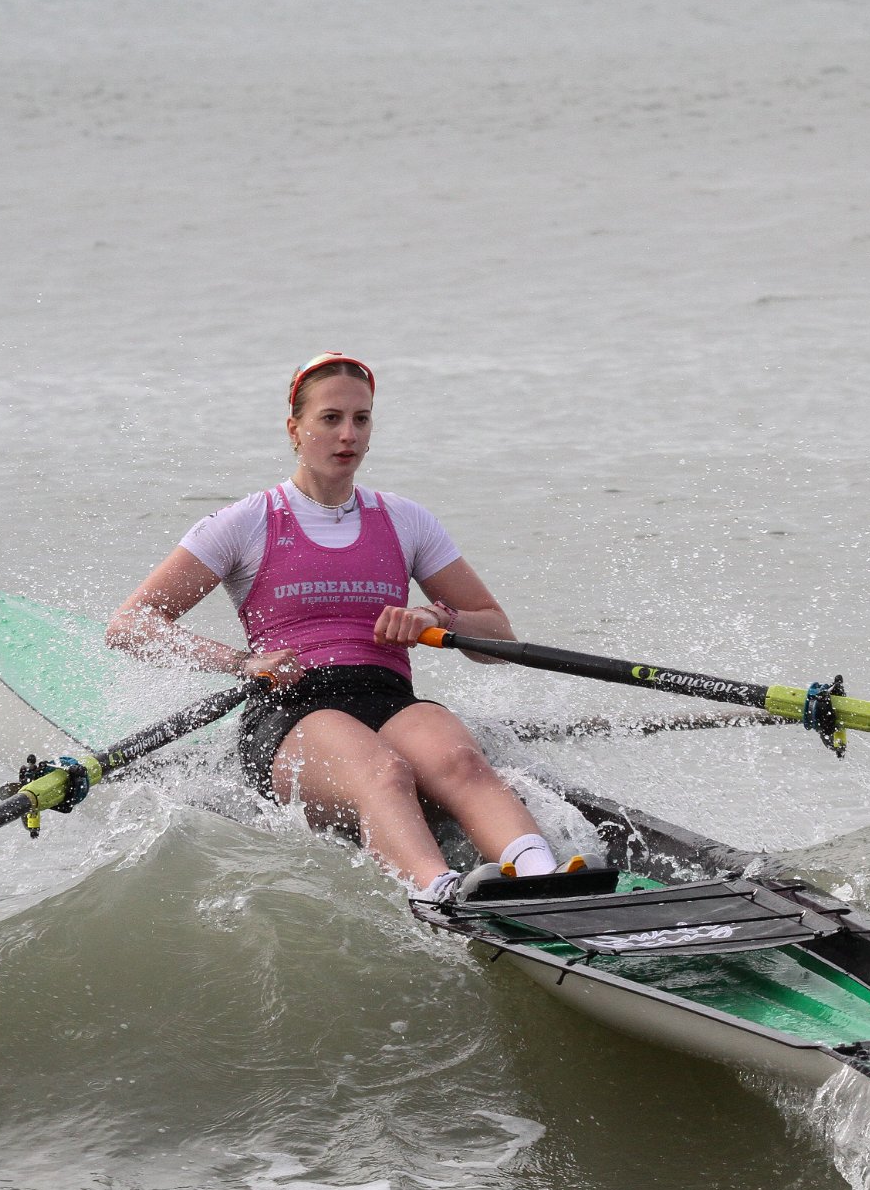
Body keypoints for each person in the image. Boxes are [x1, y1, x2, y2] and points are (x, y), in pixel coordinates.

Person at [106, 353, 576, 902]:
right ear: (295, 429)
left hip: (389, 698)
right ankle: (438, 892)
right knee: (385, 774)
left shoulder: (406, 520)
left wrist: (436, 616)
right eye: (330, 418)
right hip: (292, 711)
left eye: (362, 419)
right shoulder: (248, 521)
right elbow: (130, 625)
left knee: (460, 760)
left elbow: (498, 638)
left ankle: (544, 878)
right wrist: (240, 663)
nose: (347, 434)